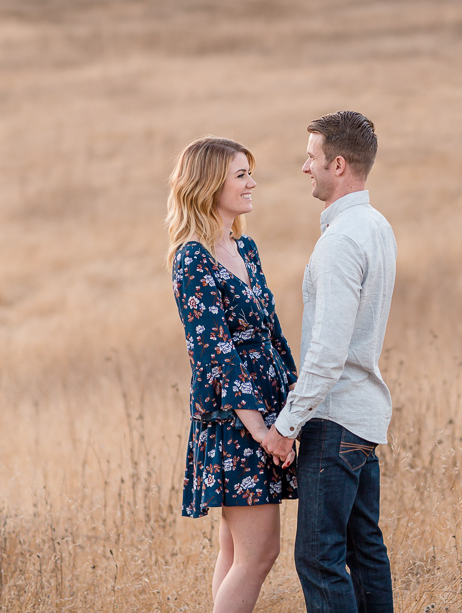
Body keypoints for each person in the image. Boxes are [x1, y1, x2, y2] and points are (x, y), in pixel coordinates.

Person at [262, 111, 397, 613]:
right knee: (365, 552)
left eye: (312, 158)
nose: (305, 168)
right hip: (362, 420)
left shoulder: (340, 241)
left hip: (334, 421)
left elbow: (327, 352)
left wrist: (287, 425)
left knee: (319, 558)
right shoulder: (376, 226)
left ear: (338, 165)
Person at [166, 136, 298, 613]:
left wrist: (294, 406)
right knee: (260, 553)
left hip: (266, 415)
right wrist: (261, 428)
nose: (252, 183)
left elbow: (272, 334)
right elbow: (214, 352)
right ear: (209, 183)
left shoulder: (246, 248)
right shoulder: (192, 257)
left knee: (235, 550)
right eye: (241, 175)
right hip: (235, 422)